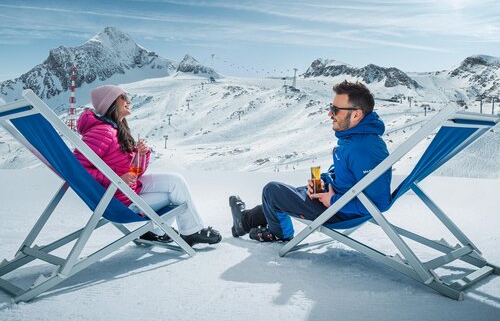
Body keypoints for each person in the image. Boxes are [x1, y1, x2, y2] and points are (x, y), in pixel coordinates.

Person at [229, 81, 392, 242]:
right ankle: (244, 221)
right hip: (334, 198)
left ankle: (279, 233)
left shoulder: (364, 149)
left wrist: (331, 200)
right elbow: (350, 174)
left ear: (356, 114)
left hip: (338, 212)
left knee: (272, 191)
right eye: (331, 108)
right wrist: (325, 181)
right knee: (284, 196)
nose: (330, 114)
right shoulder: (355, 137)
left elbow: (379, 203)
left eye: (335, 110)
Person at [74, 84, 221, 246]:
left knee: (176, 181)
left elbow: (134, 173)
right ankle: (190, 232)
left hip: (127, 190)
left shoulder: (115, 130)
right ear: (110, 103)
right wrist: (115, 179)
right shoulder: (102, 132)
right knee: (175, 198)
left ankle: (157, 233)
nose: (128, 101)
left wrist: (141, 155)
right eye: (123, 97)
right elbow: (78, 169)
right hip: (119, 201)